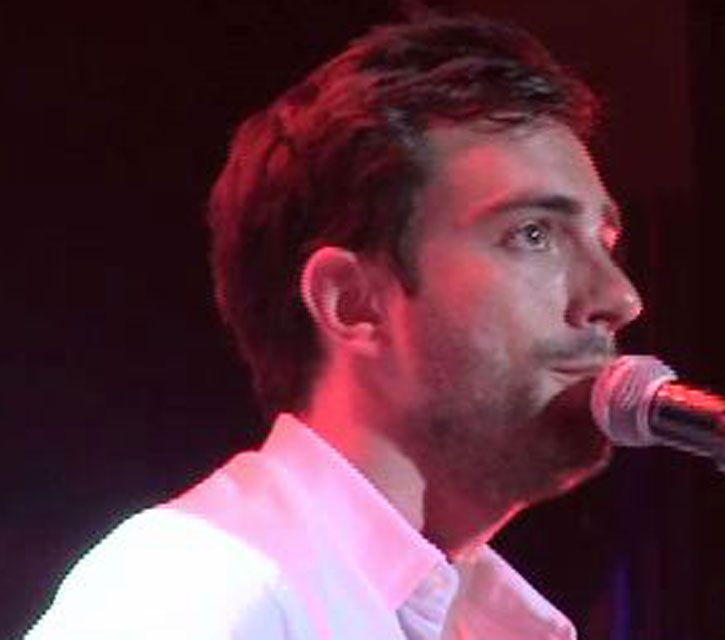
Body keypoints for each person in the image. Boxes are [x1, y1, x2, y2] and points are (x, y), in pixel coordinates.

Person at [28, 12, 642, 640]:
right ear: (352, 303)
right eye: (533, 235)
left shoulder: (483, 620)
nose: (619, 298)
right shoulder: (202, 590)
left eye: (604, 240)